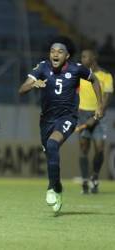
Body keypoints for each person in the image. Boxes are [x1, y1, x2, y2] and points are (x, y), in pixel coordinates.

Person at [18, 37, 103, 214]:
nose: (55, 54)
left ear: (67, 56)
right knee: (50, 153)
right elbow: (22, 89)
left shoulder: (76, 68)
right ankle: (57, 186)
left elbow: (95, 80)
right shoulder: (42, 67)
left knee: (52, 144)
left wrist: (99, 105)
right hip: (46, 120)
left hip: (68, 117)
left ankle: (52, 188)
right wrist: (34, 84)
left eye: (60, 51)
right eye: (52, 51)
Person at [76, 48, 114, 194]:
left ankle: (94, 177)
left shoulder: (106, 76)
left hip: (99, 115)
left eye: (85, 56)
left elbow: (106, 100)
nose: (82, 59)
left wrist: (96, 116)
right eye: (82, 56)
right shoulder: (80, 75)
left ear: (94, 57)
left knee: (99, 148)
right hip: (82, 114)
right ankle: (85, 180)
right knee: (84, 148)